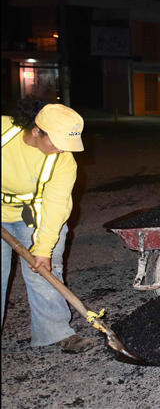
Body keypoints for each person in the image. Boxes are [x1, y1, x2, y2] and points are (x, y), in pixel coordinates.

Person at [2, 100, 93, 353]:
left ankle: (54, 332)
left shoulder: (64, 161)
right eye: (57, 142)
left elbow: (57, 206)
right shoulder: (3, 133)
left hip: (35, 215)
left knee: (45, 269)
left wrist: (43, 249)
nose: (63, 150)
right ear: (36, 131)